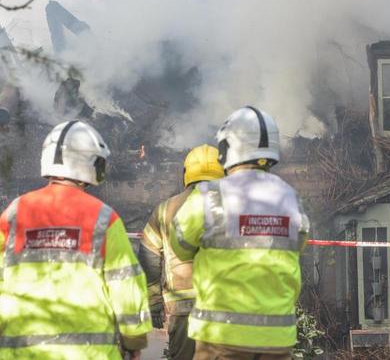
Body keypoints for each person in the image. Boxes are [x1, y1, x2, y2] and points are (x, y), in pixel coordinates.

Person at [0, 120, 152, 359]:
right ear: (90, 163)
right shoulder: (104, 218)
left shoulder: (13, 214)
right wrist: (134, 341)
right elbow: (125, 286)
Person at [169, 106, 310, 360]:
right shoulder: (290, 197)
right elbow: (299, 244)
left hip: (221, 338)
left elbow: (179, 244)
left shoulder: (210, 195)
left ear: (226, 149)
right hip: (277, 340)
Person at [139, 144, 224, 359]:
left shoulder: (165, 209)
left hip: (183, 309)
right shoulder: (236, 206)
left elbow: (149, 254)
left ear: (186, 173)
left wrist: (154, 302)